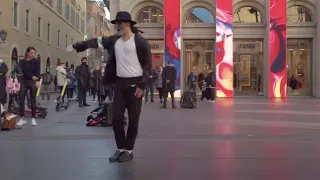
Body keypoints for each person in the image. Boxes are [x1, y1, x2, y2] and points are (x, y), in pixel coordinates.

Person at [68, 11, 151, 162]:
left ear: (128, 24)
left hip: (135, 84)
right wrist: (77, 47)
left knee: (133, 119)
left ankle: (129, 150)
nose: (117, 26)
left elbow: (147, 65)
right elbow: (95, 42)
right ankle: (120, 149)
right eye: (116, 24)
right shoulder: (114, 41)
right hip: (119, 83)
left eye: (120, 23)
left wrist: (142, 85)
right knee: (117, 118)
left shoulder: (139, 41)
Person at [16, 47, 40, 126]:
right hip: (24, 82)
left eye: (33, 53)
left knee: (33, 100)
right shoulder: (22, 62)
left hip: (32, 82)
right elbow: (25, 71)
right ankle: (22, 118)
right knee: (21, 100)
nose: (32, 55)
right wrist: (32, 76)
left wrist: (37, 80)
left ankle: (33, 118)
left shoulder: (36, 61)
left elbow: (38, 71)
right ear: (27, 53)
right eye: (31, 53)